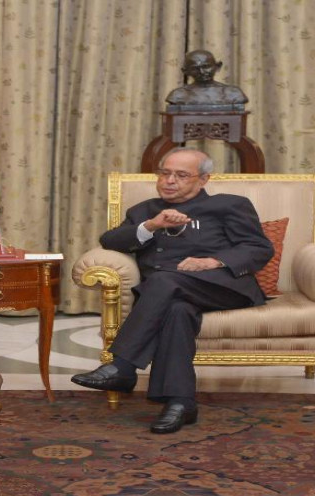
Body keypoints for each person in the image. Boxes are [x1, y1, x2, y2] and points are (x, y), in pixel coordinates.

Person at [70, 148, 272, 434]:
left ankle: (123, 366)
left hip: (223, 286)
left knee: (163, 281)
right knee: (177, 311)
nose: (170, 181)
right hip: (169, 294)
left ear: (203, 179)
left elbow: (259, 248)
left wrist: (213, 261)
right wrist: (151, 226)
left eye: (181, 175)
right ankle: (180, 403)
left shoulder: (229, 205)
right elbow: (110, 241)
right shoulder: (144, 211)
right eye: (165, 173)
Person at [165, 50, 249, 112]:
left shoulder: (233, 93)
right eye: (195, 68)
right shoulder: (178, 95)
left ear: (217, 66)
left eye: (206, 67)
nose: (202, 72)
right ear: (186, 71)